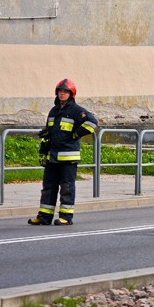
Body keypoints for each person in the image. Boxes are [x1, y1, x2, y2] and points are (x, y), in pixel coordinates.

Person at [28, 78, 98, 226]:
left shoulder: (76, 110)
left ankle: (66, 217)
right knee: (48, 186)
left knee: (66, 187)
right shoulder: (53, 111)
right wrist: (43, 149)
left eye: (65, 91)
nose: (62, 94)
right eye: (60, 91)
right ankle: (44, 217)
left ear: (71, 94)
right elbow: (49, 132)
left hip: (68, 156)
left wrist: (76, 134)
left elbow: (92, 122)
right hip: (53, 156)